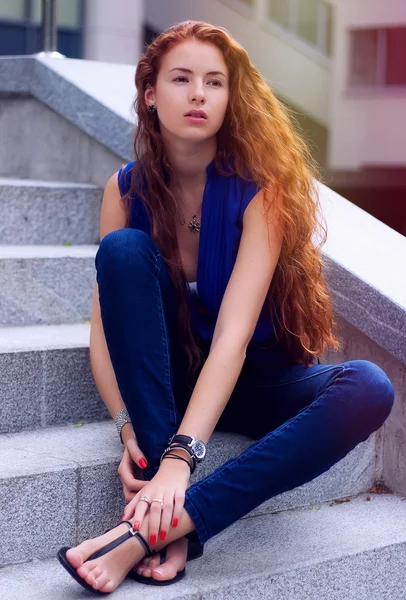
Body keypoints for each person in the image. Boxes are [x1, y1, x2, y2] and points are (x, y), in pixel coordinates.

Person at [57, 20, 395, 595]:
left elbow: (233, 339)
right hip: (163, 393)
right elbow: (105, 327)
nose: (197, 94)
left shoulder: (260, 191)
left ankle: (167, 525)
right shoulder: (125, 190)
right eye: (181, 78)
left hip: (254, 382)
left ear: (229, 98)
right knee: (122, 250)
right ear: (149, 92)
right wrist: (128, 429)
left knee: (369, 386)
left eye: (214, 82)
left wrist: (178, 464)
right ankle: (161, 523)